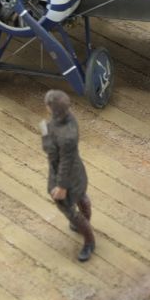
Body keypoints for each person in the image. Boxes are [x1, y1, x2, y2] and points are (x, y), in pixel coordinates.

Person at [40, 89, 95, 262]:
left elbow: (60, 159)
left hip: (65, 177)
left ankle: (89, 240)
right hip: (77, 170)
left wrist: (61, 187)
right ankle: (84, 221)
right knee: (82, 196)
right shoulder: (69, 119)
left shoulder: (65, 136)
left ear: (52, 108)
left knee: (68, 209)